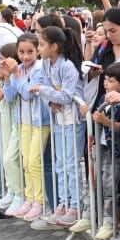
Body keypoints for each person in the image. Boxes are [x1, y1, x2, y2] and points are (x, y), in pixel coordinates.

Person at [31, 26, 84, 226]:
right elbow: (50, 93)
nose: (39, 48)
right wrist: (49, 98)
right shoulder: (46, 64)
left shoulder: (68, 66)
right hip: (59, 119)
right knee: (60, 164)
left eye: (42, 44)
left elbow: (66, 95)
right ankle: (63, 202)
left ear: (54, 46)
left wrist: (46, 91)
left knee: (71, 163)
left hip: (73, 119)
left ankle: (76, 205)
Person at [4, 33, 48, 221]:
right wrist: (7, 78)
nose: (25, 56)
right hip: (23, 122)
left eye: (30, 51)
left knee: (34, 162)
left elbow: (28, 93)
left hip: (40, 122)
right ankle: (29, 198)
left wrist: (16, 74)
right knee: (26, 163)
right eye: (21, 52)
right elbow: (9, 96)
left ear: (37, 50)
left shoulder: (39, 69)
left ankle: (39, 200)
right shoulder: (19, 68)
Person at [88, 62, 120, 240]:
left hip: (117, 150)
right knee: (95, 183)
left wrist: (104, 121)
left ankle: (109, 222)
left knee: (111, 186)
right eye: (105, 79)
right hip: (103, 147)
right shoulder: (104, 99)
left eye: (110, 80)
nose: (105, 83)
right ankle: (90, 218)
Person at [0, 43, 24, 211]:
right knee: (5, 156)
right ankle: (11, 191)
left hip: (13, 118)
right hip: (5, 119)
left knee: (10, 158)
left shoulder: (14, 77)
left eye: (3, 59)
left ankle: (18, 193)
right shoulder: (5, 77)